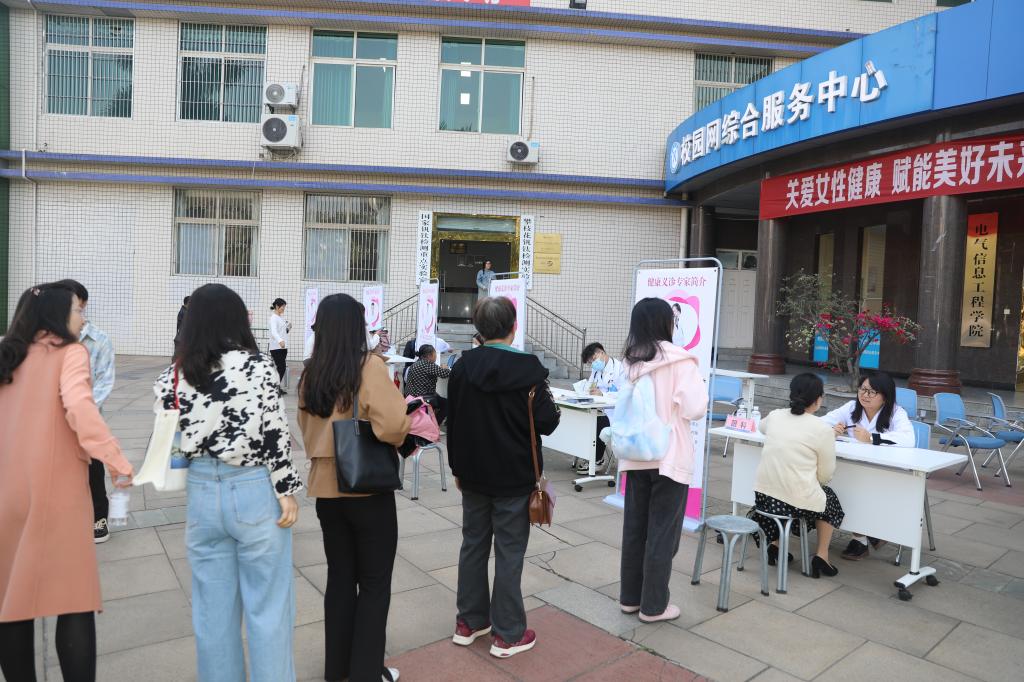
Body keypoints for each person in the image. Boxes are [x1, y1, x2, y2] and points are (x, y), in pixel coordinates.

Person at [154, 283, 302, 682]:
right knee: (268, 609)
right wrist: (286, 490)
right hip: (253, 487)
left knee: (212, 614)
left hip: (201, 492)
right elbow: (275, 434)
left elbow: (170, 431)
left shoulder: (176, 374)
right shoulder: (258, 367)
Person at [0, 283, 134, 682]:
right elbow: (79, 407)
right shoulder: (70, 353)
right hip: (57, 494)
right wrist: (115, 459)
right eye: (77, 310)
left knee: (11, 599)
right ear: (56, 315)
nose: (82, 317)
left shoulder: (7, 354)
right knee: (73, 598)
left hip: (7, 493)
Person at [297, 293, 410, 682]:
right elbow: (394, 425)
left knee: (340, 580)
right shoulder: (369, 366)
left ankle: (338, 670)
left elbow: (305, 428)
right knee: (375, 584)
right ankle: (366, 674)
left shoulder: (310, 373)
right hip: (366, 490)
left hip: (326, 490)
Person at [448, 296, 560, 658]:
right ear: (514, 327)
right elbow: (548, 421)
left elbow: (454, 422)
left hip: (473, 474)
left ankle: (469, 622)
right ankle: (508, 633)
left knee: (473, 545)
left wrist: (456, 469)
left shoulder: (462, 367)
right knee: (509, 553)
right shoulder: (529, 369)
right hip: (514, 476)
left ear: (479, 330)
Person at [616, 298, 708, 622]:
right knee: (662, 534)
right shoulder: (681, 361)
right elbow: (695, 409)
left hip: (636, 455)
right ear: (666, 323)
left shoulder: (629, 362)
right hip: (669, 457)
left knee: (635, 529)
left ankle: (630, 598)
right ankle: (653, 606)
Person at [752, 373, 843, 578]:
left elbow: (761, 427)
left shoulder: (776, 416)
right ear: (818, 399)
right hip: (793, 502)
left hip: (763, 498)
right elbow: (826, 474)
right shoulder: (822, 429)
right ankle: (822, 556)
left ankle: (775, 546)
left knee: (783, 490)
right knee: (829, 499)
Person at [820, 372, 913, 560]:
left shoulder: (896, 412)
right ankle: (865, 535)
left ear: (885, 396)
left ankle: (863, 537)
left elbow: (908, 439)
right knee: (842, 483)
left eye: (872, 392)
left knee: (856, 487)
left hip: (887, 471)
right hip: (857, 468)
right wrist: (831, 430)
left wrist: (872, 438)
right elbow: (822, 422)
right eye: (862, 390)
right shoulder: (851, 407)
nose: (865, 395)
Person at [54, 280, 117, 544]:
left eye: (75, 305)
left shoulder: (98, 340)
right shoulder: (50, 339)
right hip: (54, 421)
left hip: (88, 419)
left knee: (93, 470)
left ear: (83, 304)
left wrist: (80, 410)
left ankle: (98, 518)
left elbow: (105, 382)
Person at [575, 342, 623, 474]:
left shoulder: (620, 368)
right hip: (598, 407)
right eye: (590, 362)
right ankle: (587, 454)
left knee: (599, 420)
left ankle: (597, 459)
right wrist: (585, 390)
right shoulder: (596, 369)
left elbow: (624, 393)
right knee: (582, 417)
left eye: (593, 359)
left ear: (601, 352)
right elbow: (590, 385)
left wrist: (603, 394)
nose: (593, 364)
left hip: (615, 412)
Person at [405, 344, 452, 425]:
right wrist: (446, 368)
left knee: (438, 398)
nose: (436, 356)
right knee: (447, 404)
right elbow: (446, 374)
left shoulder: (417, 363)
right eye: (435, 354)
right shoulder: (428, 365)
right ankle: (434, 425)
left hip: (411, 395)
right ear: (430, 355)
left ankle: (431, 420)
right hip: (422, 397)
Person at [269, 297, 291, 390]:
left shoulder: (281, 317)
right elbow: (274, 332)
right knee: (281, 368)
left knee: (281, 368)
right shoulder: (273, 318)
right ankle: (274, 388)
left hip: (283, 347)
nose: (284, 309)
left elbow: (283, 331)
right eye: (282, 307)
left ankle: (276, 387)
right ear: (277, 306)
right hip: (276, 347)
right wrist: (280, 340)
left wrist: (288, 328)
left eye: (284, 307)